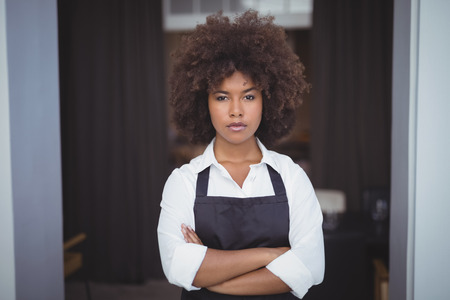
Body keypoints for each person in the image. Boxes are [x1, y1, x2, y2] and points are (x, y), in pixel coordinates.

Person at [157, 10, 324, 299]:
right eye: (222, 96)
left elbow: (310, 268)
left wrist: (210, 273)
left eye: (248, 96)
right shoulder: (183, 181)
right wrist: (270, 255)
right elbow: (177, 267)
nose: (236, 110)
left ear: (267, 99)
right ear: (203, 102)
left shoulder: (291, 176)